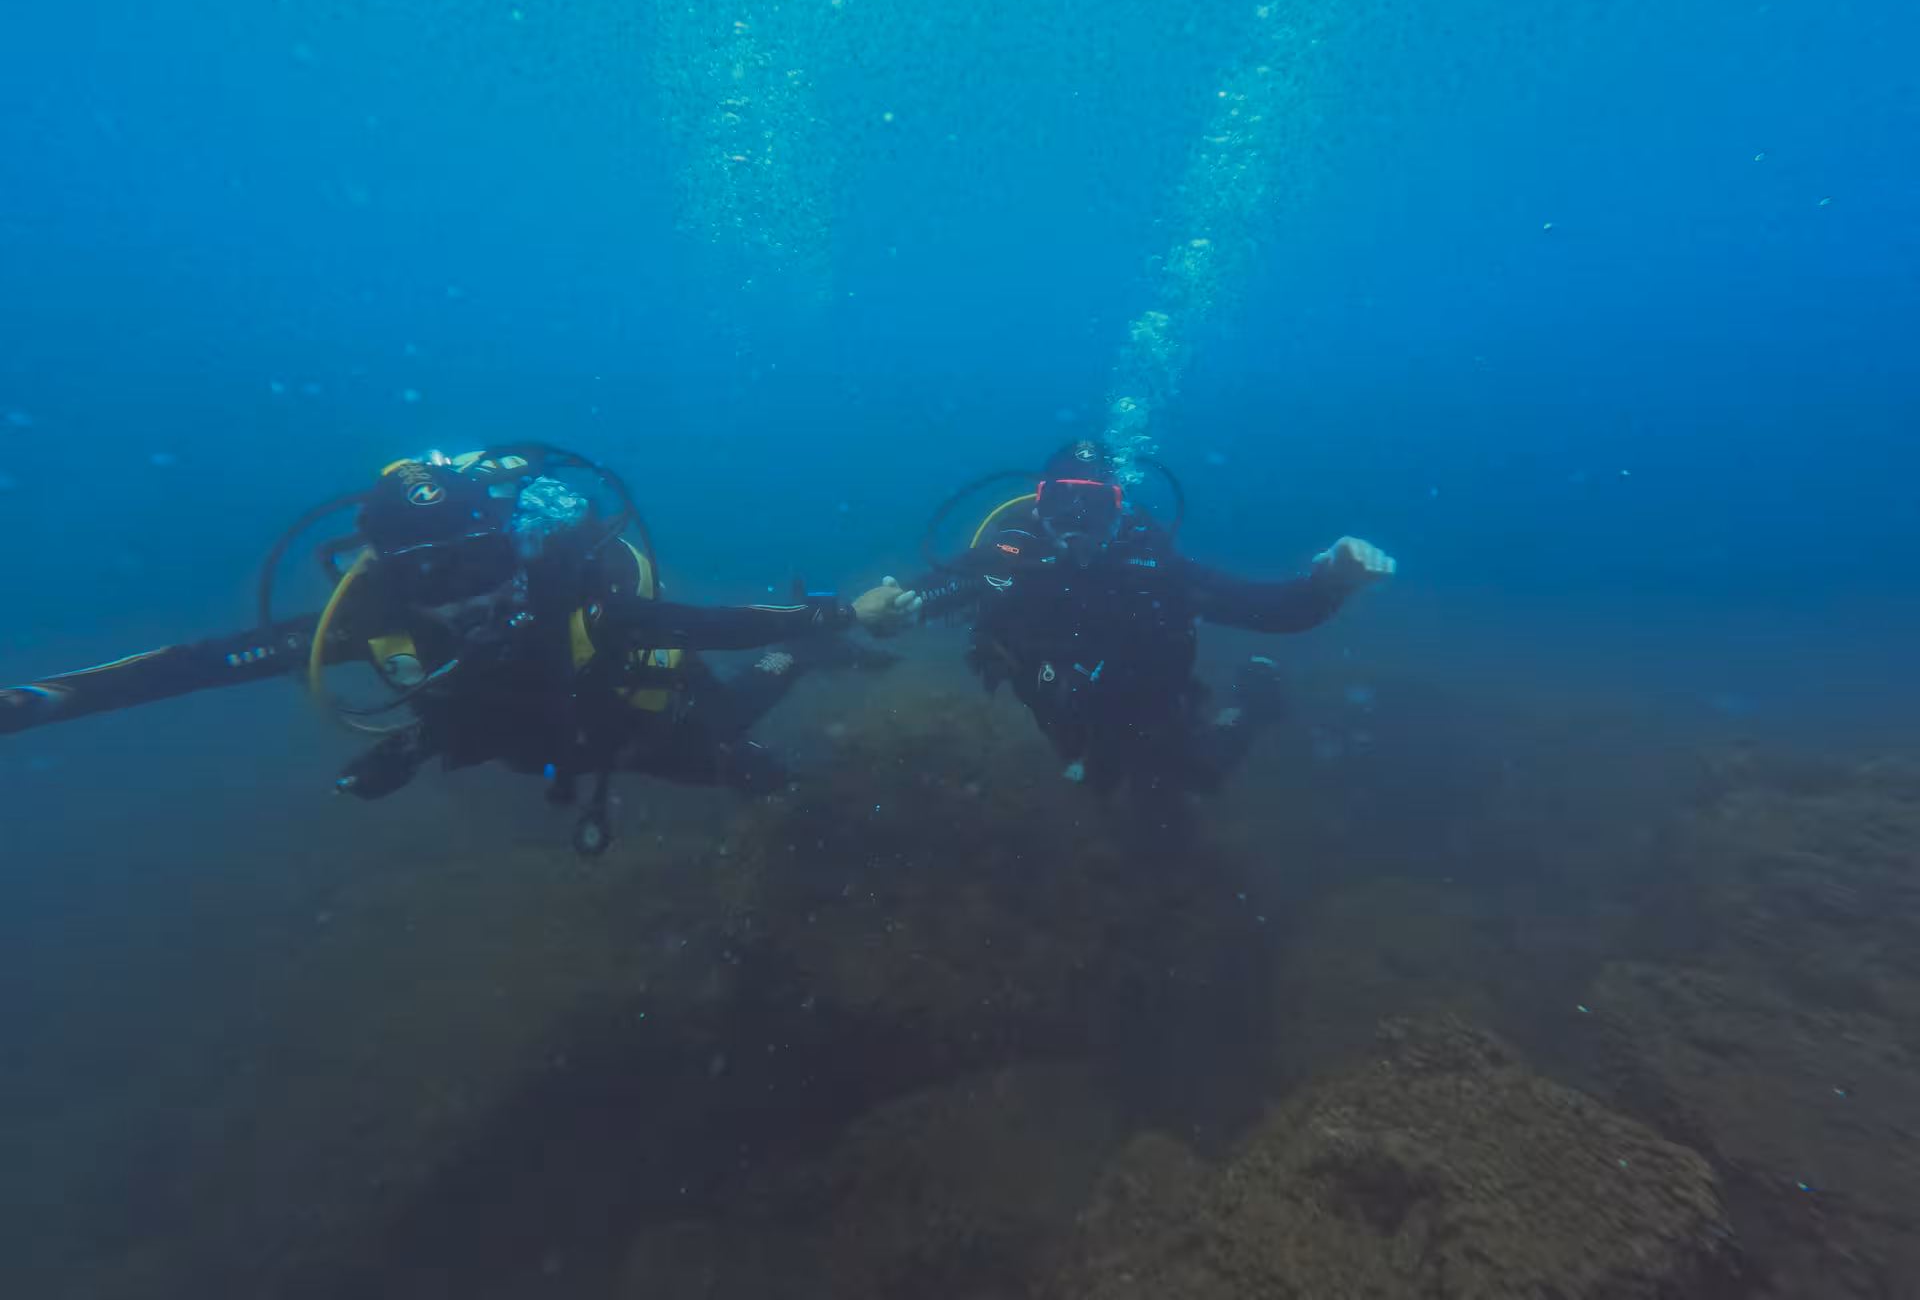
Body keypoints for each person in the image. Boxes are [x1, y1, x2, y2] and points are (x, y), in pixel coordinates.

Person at [2, 443, 883, 855]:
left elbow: (708, 622)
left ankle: (803, 674)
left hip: (628, 719)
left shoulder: (569, 587)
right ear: (387, 576)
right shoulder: (370, 626)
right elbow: (200, 663)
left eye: (480, 562)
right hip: (519, 744)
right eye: (433, 576)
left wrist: (828, 622)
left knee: (734, 738)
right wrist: (43, 701)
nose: (466, 592)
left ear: (517, 547)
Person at [852, 440, 1396, 798]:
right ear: (1039, 502)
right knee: (1096, 782)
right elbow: (929, 593)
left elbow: (1272, 611)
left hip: (1145, 705)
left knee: (1195, 778)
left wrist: (1331, 582)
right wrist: (891, 608)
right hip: (1059, 704)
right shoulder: (1006, 556)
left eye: (1097, 505)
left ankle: (1255, 700)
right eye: (1063, 501)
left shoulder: (1153, 568)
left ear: (1121, 506)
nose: (1077, 521)